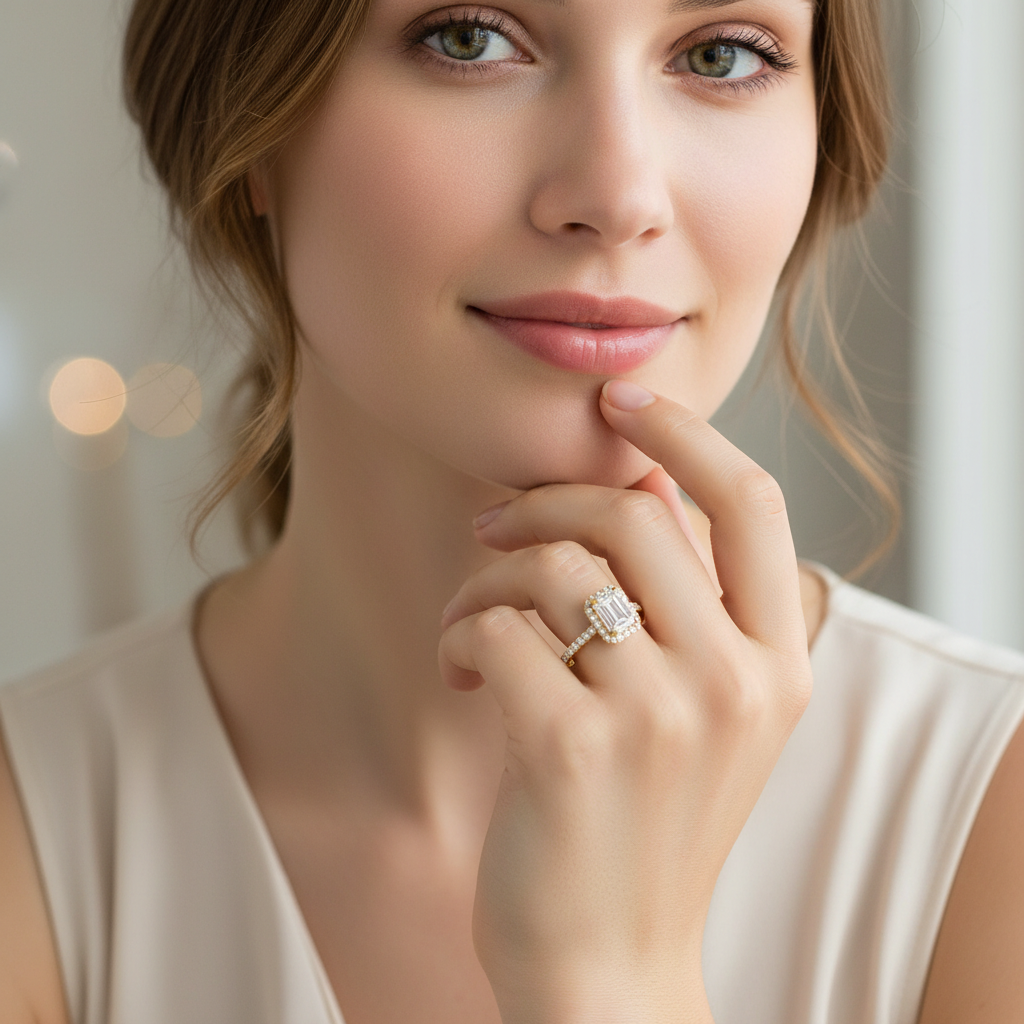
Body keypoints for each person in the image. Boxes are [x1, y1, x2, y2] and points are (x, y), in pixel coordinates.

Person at [0, 0, 1021, 1019]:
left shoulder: (989, 814)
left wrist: (612, 981)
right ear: (249, 123)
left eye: (720, 55)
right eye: (469, 38)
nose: (619, 196)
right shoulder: (32, 835)